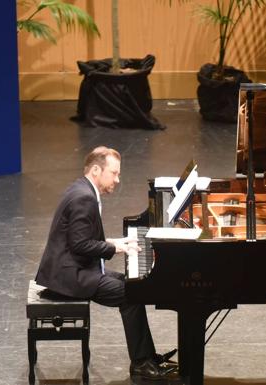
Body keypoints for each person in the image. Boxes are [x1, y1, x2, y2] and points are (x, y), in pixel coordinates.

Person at [35, 146, 174, 380]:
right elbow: (80, 245)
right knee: (132, 294)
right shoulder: (85, 198)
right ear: (97, 170)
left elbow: (80, 240)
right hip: (70, 276)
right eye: (114, 173)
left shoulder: (82, 189)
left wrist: (116, 240)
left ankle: (147, 356)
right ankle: (141, 362)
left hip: (76, 267)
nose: (118, 180)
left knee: (131, 284)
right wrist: (116, 248)